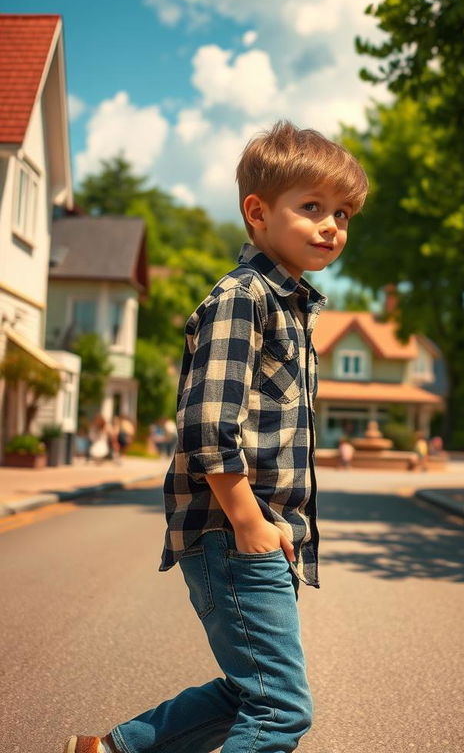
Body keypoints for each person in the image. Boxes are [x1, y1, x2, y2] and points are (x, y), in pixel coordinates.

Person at [64, 120, 368, 753]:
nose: (331, 225)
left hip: (260, 532)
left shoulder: (292, 306)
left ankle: (110, 750)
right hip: (236, 532)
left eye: (341, 213)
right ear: (257, 212)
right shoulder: (243, 299)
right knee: (280, 711)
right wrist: (250, 520)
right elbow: (207, 424)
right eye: (311, 207)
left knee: (249, 690)